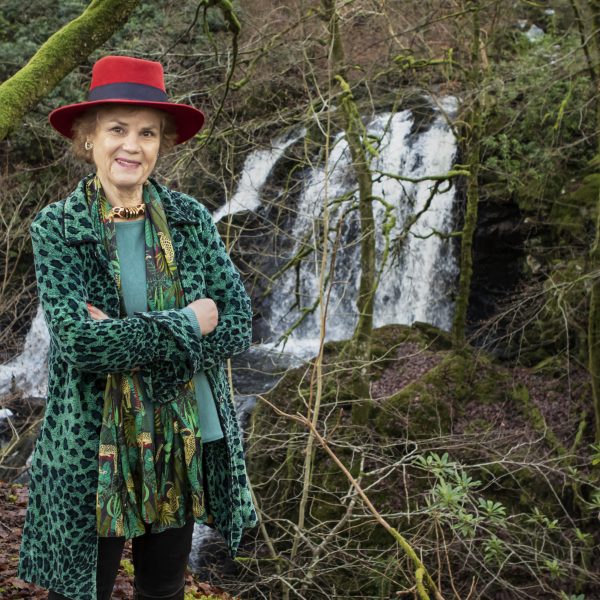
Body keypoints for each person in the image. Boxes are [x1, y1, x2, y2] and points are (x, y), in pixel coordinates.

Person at [17, 55, 258, 600]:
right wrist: (188, 322)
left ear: (162, 143)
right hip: (93, 443)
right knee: (80, 591)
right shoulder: (57, 227)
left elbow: (239, 321)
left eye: (147, 132)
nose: (132, 145)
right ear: (87, 138)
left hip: (182, 432)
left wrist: (126, 337)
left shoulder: (192, 218)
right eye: (117, 129)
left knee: (165, 589)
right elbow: (82, 346)